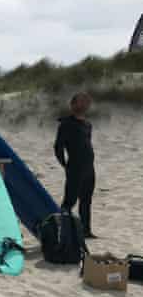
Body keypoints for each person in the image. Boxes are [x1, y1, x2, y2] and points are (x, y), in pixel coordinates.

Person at [54, 92, 97, 238]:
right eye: (81, 102)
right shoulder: (66, 124)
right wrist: (64, 164)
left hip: (89, 168)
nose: (84, 104)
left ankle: (86, 230)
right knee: (69, 201)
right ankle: (62, 230)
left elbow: (87, 144)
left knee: (86, 200)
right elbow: (58, 147)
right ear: (73, 105)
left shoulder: (87, 124)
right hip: (75, 167)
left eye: (86, 102)